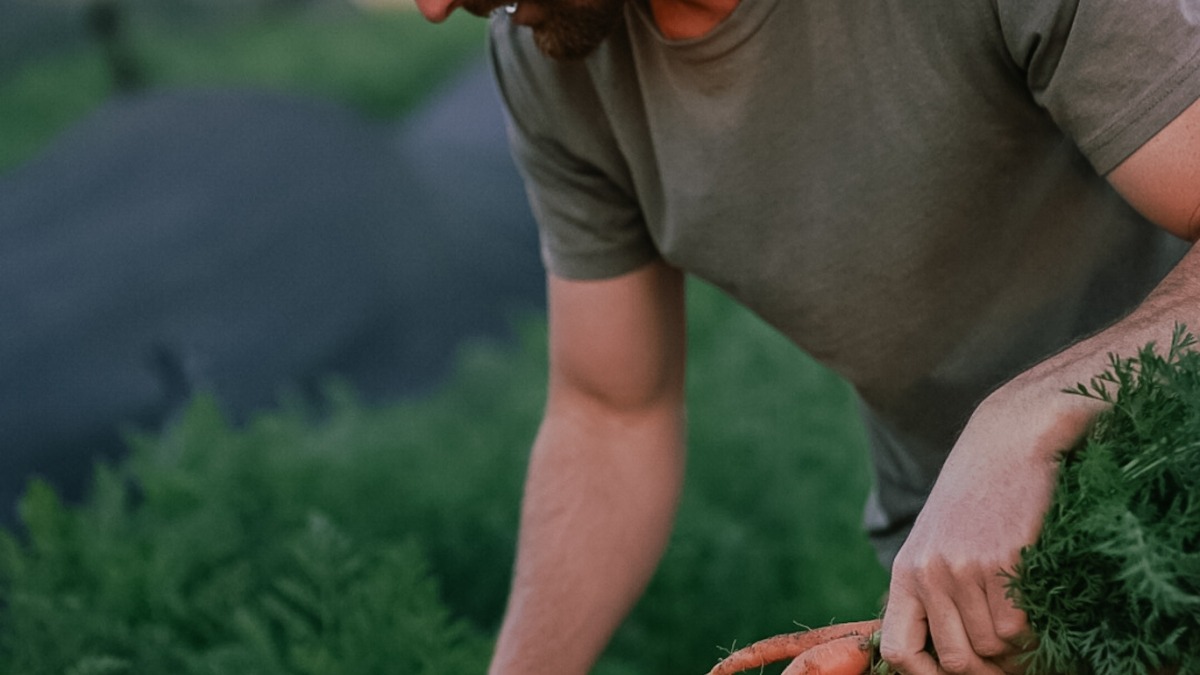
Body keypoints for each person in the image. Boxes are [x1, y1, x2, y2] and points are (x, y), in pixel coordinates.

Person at [413, 0, 1200, 672]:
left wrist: (1035, 411)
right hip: (966, 596)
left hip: (1177, 489)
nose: (429, 7)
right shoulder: (546, 55)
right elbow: (611, 410)